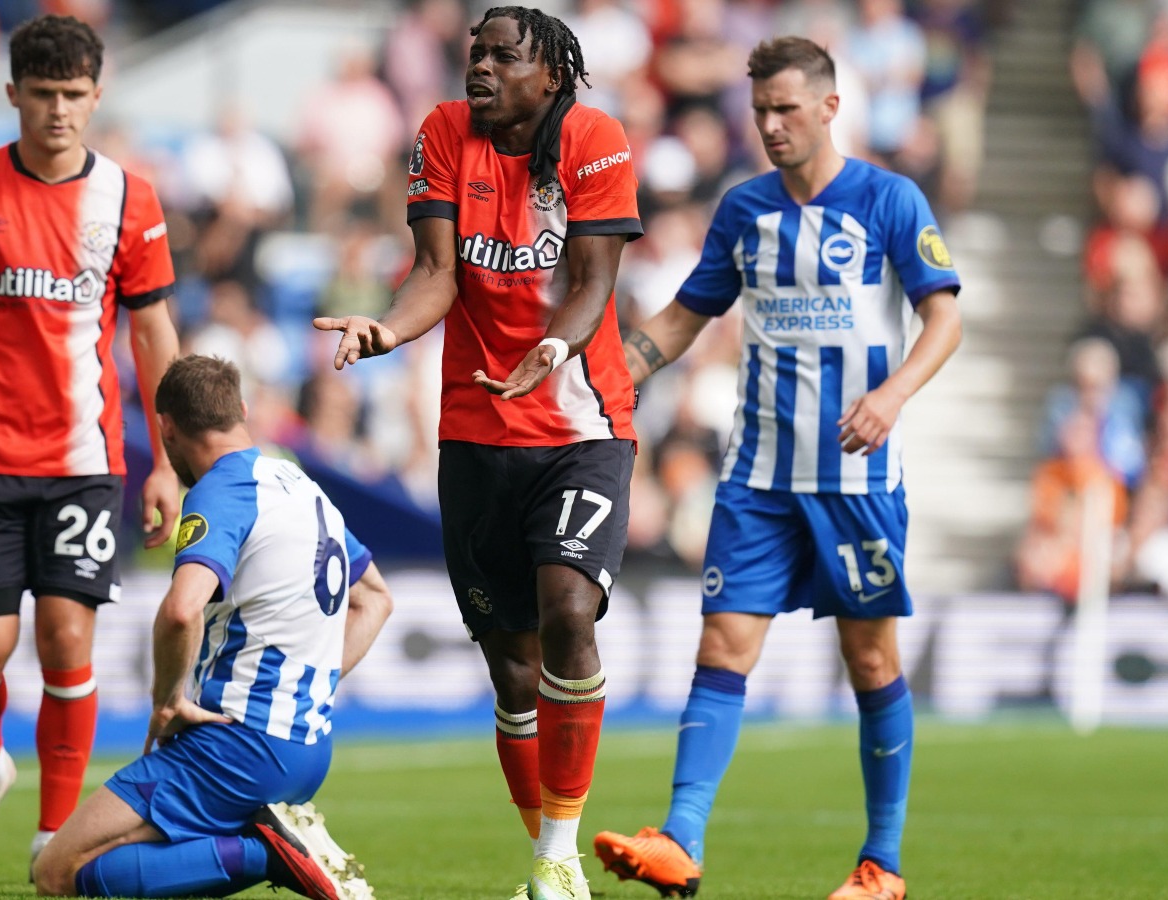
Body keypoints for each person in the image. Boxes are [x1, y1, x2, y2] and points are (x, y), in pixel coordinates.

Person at [590, 37, 964, 900]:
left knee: (869, 661)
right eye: (759, 110)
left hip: (855, 482)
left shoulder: (888, 200)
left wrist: (893, 394)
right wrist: (608, 371)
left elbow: (942, 320)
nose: (770, 125)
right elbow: (687, 314)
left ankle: (881, 866)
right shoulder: (744, 209)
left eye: (786, 108)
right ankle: (680, 839)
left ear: (830, 108)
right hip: (757, 474)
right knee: (721, 644)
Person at [314, 7, 642, 899]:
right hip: (473, 429)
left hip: (581, 424)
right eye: (476, 52)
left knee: (569, 614)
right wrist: (385, 329)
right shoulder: (440, 133)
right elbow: (435, 275)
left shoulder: (593, 136)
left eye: (505, 56)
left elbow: (592, 283)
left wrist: (554, 350)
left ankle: (557, 860)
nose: (482, 67)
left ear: (551, 75)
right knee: (510, 666)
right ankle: (545, 851)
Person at [0, 15, 183, 877]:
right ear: (12, 93)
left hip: (84, 463)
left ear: (96, 97)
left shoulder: (130, 199)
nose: (59, 111)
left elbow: (153, 334)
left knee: (68, 642)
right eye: (43, 94)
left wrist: (170, 458)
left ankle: (49, 836)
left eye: (74, 96)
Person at [31, 355, 391, 899]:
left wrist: (168, 699)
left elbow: (182, 610)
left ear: (166, 428)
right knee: (111, 860)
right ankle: (272, 843)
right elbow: (376, 600)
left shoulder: (222, 491)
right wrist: (309, 684)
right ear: (242, 410)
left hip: (237, 745)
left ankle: (267, 852)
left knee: (56, 873)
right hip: (307, 748)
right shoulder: (296, 479)